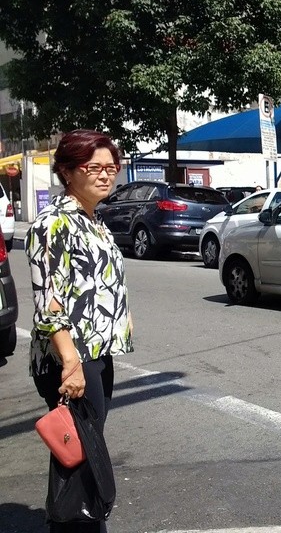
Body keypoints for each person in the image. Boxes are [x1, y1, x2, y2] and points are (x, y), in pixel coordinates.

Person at [27, 129, 133, 533]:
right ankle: (76, 525)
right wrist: (70, 363)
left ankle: (83, 524)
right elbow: (49, 301)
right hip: (69, 357)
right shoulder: (53, 222)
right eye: (94, 168)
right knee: (77, 453)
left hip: (95, 354)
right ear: (68, 171)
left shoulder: (93, 219)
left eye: (112, 167)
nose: (106, 176)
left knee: (83, 452)